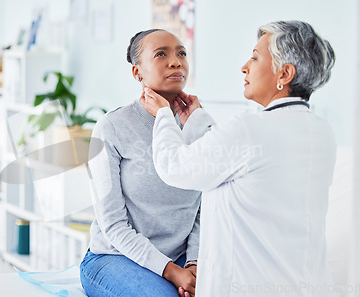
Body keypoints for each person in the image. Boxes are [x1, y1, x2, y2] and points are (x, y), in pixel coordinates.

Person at [142, 20, 337, 296]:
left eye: (255, 57)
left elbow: (175, 167)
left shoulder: (249, 129)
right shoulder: (321, 131)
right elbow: (240, 167)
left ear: (285, 73)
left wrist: (163, 115)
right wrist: (197, 120)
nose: (245, 66)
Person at [80, 29, 213, 297]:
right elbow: (113, 225)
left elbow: (204, 209)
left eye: (181, 53)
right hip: (115, 258)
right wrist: (173, 273)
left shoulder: (197, 124)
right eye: (161, 54)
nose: (176, 61)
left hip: (181, 260)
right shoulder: (112, 127)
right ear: (137, 72)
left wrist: (195, 265)